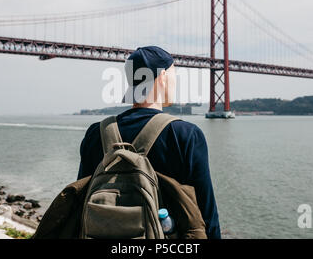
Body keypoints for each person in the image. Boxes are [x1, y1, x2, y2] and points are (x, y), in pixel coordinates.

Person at [77, 46, 221, 239]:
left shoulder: (96, 133)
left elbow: (80, 203)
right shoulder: (186, 135)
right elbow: (206, 214)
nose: (175, 82)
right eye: (174, 75)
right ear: (162, 77)